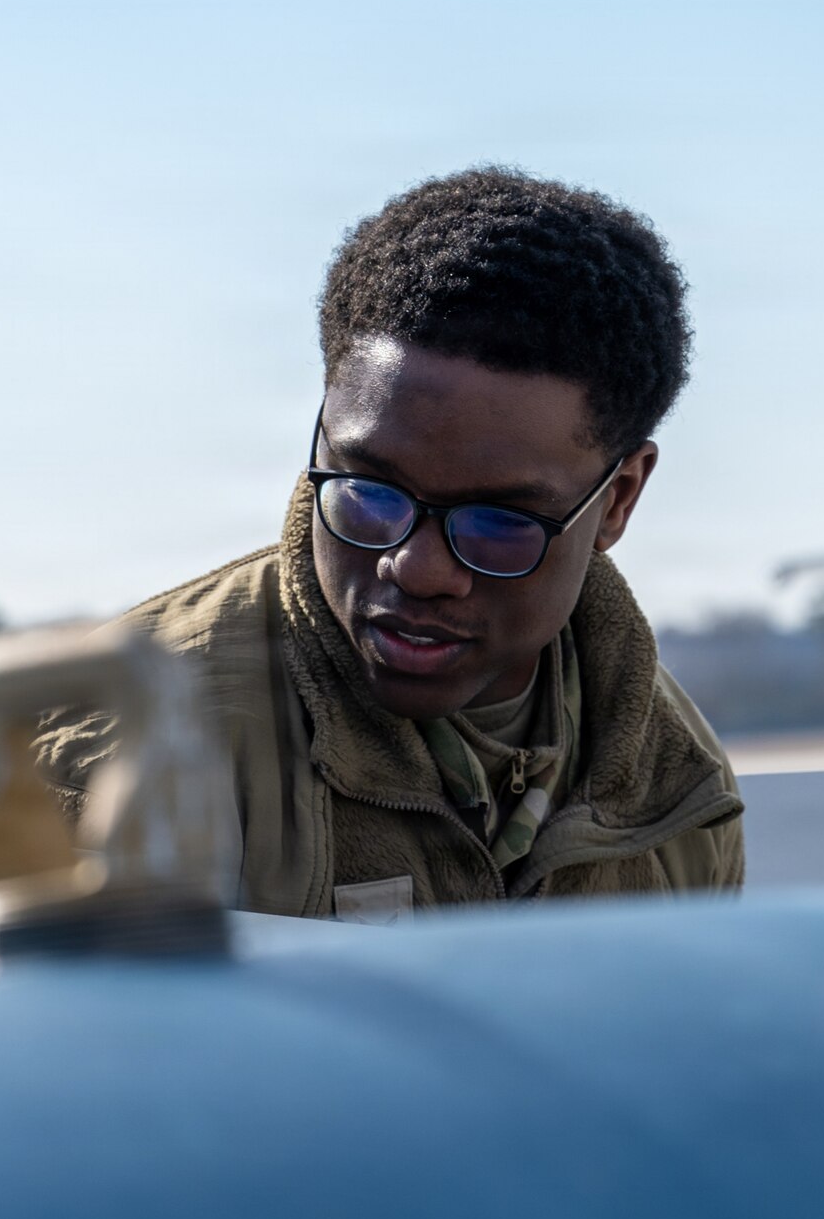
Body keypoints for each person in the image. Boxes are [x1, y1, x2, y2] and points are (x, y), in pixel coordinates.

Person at [36, 168, 744, 920]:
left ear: (619, 499)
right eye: (370, 491)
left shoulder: (674, 784)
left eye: (499, 522)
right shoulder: (122, 750)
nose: (417, 567)